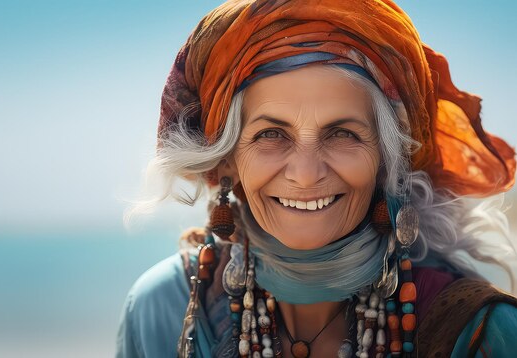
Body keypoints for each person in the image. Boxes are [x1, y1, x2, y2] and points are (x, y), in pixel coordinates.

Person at [116, 0, 517, 357]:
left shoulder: (480, 333)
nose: (306, 175)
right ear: (226, 162)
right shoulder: (162, 310)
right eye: (271, 134)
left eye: (342, 134)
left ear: (388, 159)